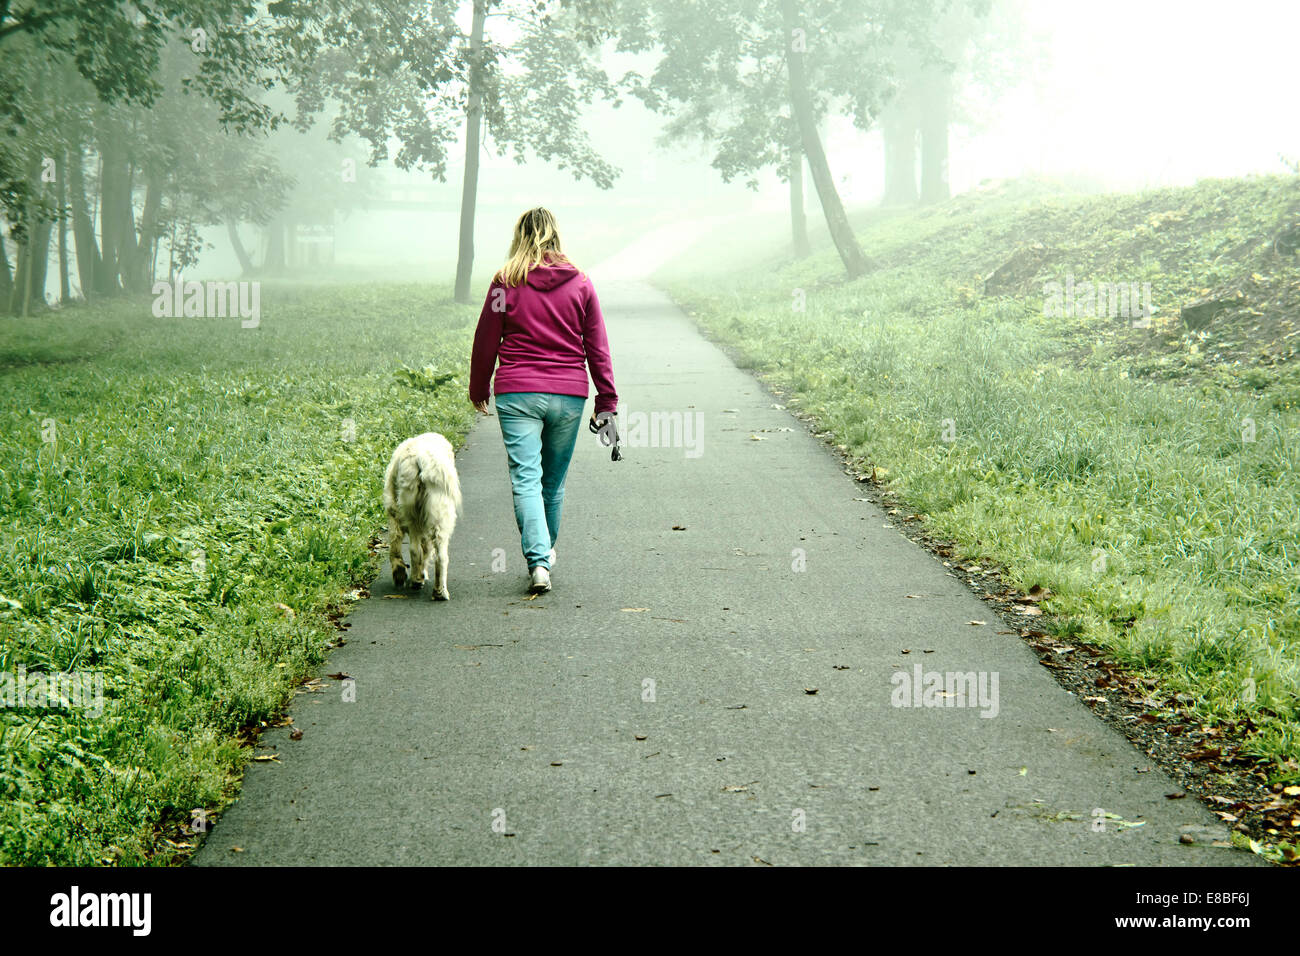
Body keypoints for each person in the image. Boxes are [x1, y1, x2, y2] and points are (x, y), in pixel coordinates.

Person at [469, 207, 618, 594]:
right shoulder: (581, 284)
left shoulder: (505, 283)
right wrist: (607, 401)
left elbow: (487, 338)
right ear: (555, 235)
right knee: (552, 483)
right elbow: (596, 346)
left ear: (519, 235)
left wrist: (478, 386)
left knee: (526, 479)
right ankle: (543, 556)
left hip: (518, 392)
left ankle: (538, 562)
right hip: (568, 395)